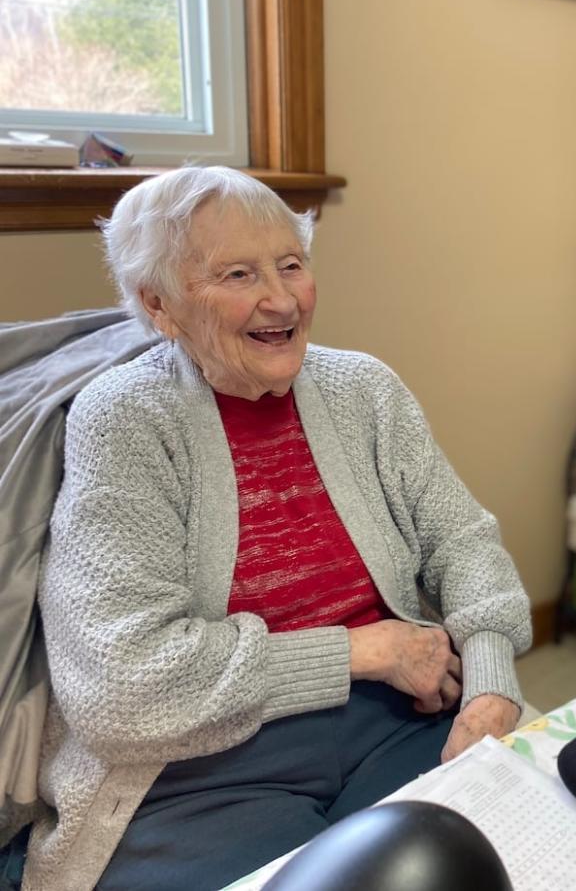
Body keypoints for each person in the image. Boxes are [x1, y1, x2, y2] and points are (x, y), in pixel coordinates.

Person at [23, 166, 532, 891]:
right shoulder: (125, 418)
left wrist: (488, 681)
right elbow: (121, 689)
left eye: (291, 265)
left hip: (392, 720)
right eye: (238, 274)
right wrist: (363, 650)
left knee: (524, 853)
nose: (281, 298)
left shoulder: (365, 389)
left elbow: (463, 541)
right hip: (197, 776)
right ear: (160, 306)